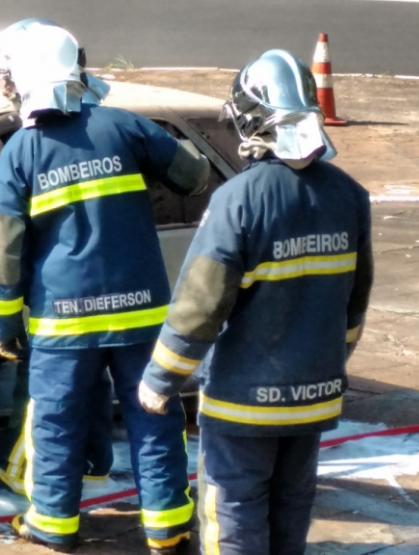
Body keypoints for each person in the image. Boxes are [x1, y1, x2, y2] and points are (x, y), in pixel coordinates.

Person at [0, 21, 210, 552]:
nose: (9, 89)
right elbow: (193, 176)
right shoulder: (126, 128)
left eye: (10, 78)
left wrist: (2, 323)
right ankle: (168, 527)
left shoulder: (21, 152)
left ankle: (54, 526)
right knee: (154, 417)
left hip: (62, 322)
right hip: (140, 315)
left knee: (56, 425)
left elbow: (3, 251)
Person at [138, 49, 373, 555]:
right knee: (292, 504)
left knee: (234, 508)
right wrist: (331, 359)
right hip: (316, 394)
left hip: (244, 402)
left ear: (251, 120)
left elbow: (201, 304)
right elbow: (355, 302)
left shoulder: (238, 199)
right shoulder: (349, 196)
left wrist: (160, 379)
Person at [0, 17, 117, 498]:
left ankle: (15, 473)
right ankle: (94, 463)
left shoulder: (35, 140)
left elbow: (18, 227)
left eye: (7, 79)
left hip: (59, 291)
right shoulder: (104, 124)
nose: (6, 91)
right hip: (111, 281)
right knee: (92, 381)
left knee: (39, 387)